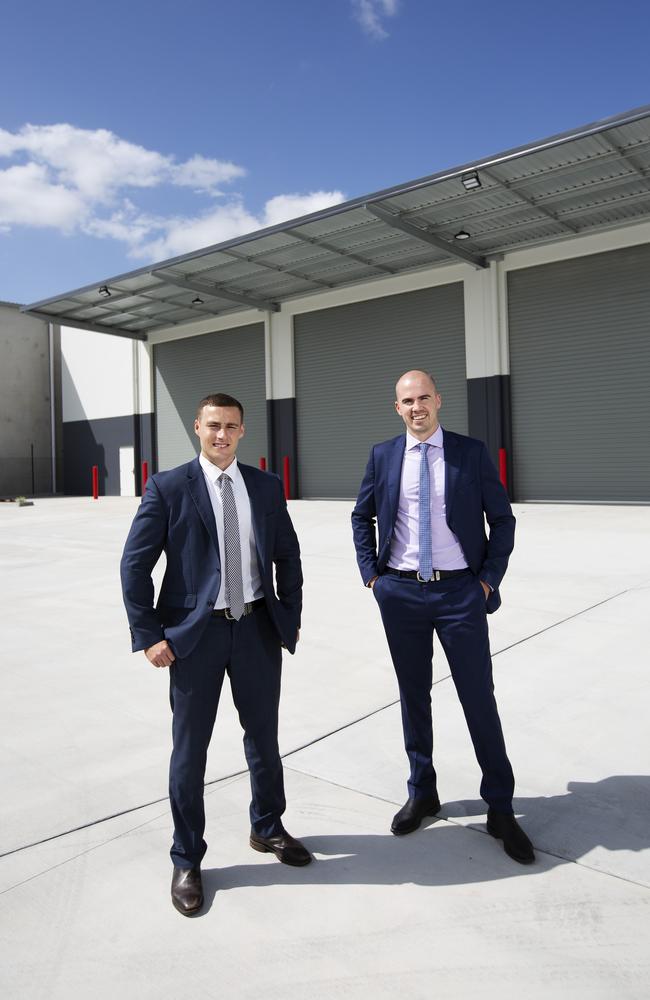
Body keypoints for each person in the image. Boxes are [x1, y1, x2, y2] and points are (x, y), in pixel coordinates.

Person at [120, 392, 310, 917]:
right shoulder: (168, 487)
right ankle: (187, 857)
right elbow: (134, 566)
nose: (221, 435)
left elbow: (287, 556)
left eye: (231, 426)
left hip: (254, 630)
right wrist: (150, 635)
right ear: (197, 429)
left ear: (243, 431)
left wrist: (286, 615)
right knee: (189, 752)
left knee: (264, 739)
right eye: (212, 426)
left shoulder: (266, 487)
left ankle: (267, 827)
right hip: (194, 639)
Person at [351, 370, 534, 864]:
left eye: (424, 398)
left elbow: (502, 520)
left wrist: (487, 580)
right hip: (401, 593)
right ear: (397, 408)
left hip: (460, 594)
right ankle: (422, 791)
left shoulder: (471, 453)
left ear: (439, 400)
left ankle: (500, 807)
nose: (416, 407)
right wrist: (374, 576)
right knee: (413, 696)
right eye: (407, 401)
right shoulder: (383, 455)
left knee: (478, 697)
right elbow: (361, 516)